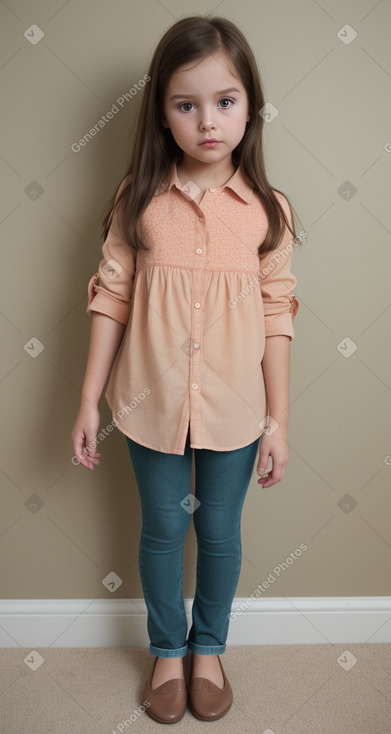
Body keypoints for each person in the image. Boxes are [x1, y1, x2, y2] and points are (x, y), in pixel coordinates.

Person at [71, 13, 301, 725]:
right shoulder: (136, 200)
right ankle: (167, 652)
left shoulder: (268, 211)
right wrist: (86, 403)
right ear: (162, 114)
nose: (208, 121)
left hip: (235, 410)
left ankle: (209, 651)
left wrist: (277, 421)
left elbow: (276, 316)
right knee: (163, 529)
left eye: (224, 101)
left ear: (248, 106)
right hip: (149, 402)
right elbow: (110, 296)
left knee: (222, 533)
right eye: (186, 103)